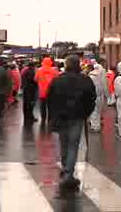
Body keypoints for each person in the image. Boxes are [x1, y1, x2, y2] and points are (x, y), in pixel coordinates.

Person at [47, 55, 96, 189]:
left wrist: (52, 116)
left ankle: (66, 169)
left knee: (64, 144)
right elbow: (92, 98)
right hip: (77, 117)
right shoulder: (85, 80)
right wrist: (86, 113)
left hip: (62, 117)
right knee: (73, 145)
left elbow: (50, 99)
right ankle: (68, 172)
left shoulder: (57, 80)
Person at [35, 57, 59, 124]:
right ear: (50, 62)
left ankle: (43, 118)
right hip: (51, 92)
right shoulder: (54, 70)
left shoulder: (39, 70)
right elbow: (57, 80)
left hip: (42, 92)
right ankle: (50, 119)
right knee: (50, 106)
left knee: (42, 106)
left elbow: (35, 79)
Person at [88, 64, 107, 132]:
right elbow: (104, 85)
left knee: (94, 111)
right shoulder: (101, 76)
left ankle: (95, 127)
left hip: (93, 96)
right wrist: (106, 95)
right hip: (100, 95)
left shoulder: (90, 77)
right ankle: (97, 124)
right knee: (98, 111)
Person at [21, 61, 38, 125]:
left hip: (26, 89)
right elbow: (34, 81)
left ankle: (26, 117)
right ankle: (30, 117)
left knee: (25, 103)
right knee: (31, 103)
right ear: (33, 66)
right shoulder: (32, 72)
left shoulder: (25, 71)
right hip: (31, 90)